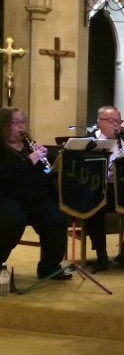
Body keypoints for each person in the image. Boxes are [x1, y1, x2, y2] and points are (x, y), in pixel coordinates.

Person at [0, 107, 71, 280]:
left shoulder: (30, 146)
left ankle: (49, 267)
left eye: (23, 122)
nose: (20, 126)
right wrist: (30, 161)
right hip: (10, 198)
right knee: (13, 221)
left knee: (57, 218)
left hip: (37, 199)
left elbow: (48, 171)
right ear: (4, 125)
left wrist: (47, 157)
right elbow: (5, 174)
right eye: (15, 122)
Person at [84, 105, 124, 271]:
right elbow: (83, 171)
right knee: (95, 205)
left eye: (119, 121)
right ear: (100, 122)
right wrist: (107, 172)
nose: (116, 125)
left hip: (122, 189)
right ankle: (101, 254)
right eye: (112, 121)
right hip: (98, 189)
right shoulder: (89, 142)